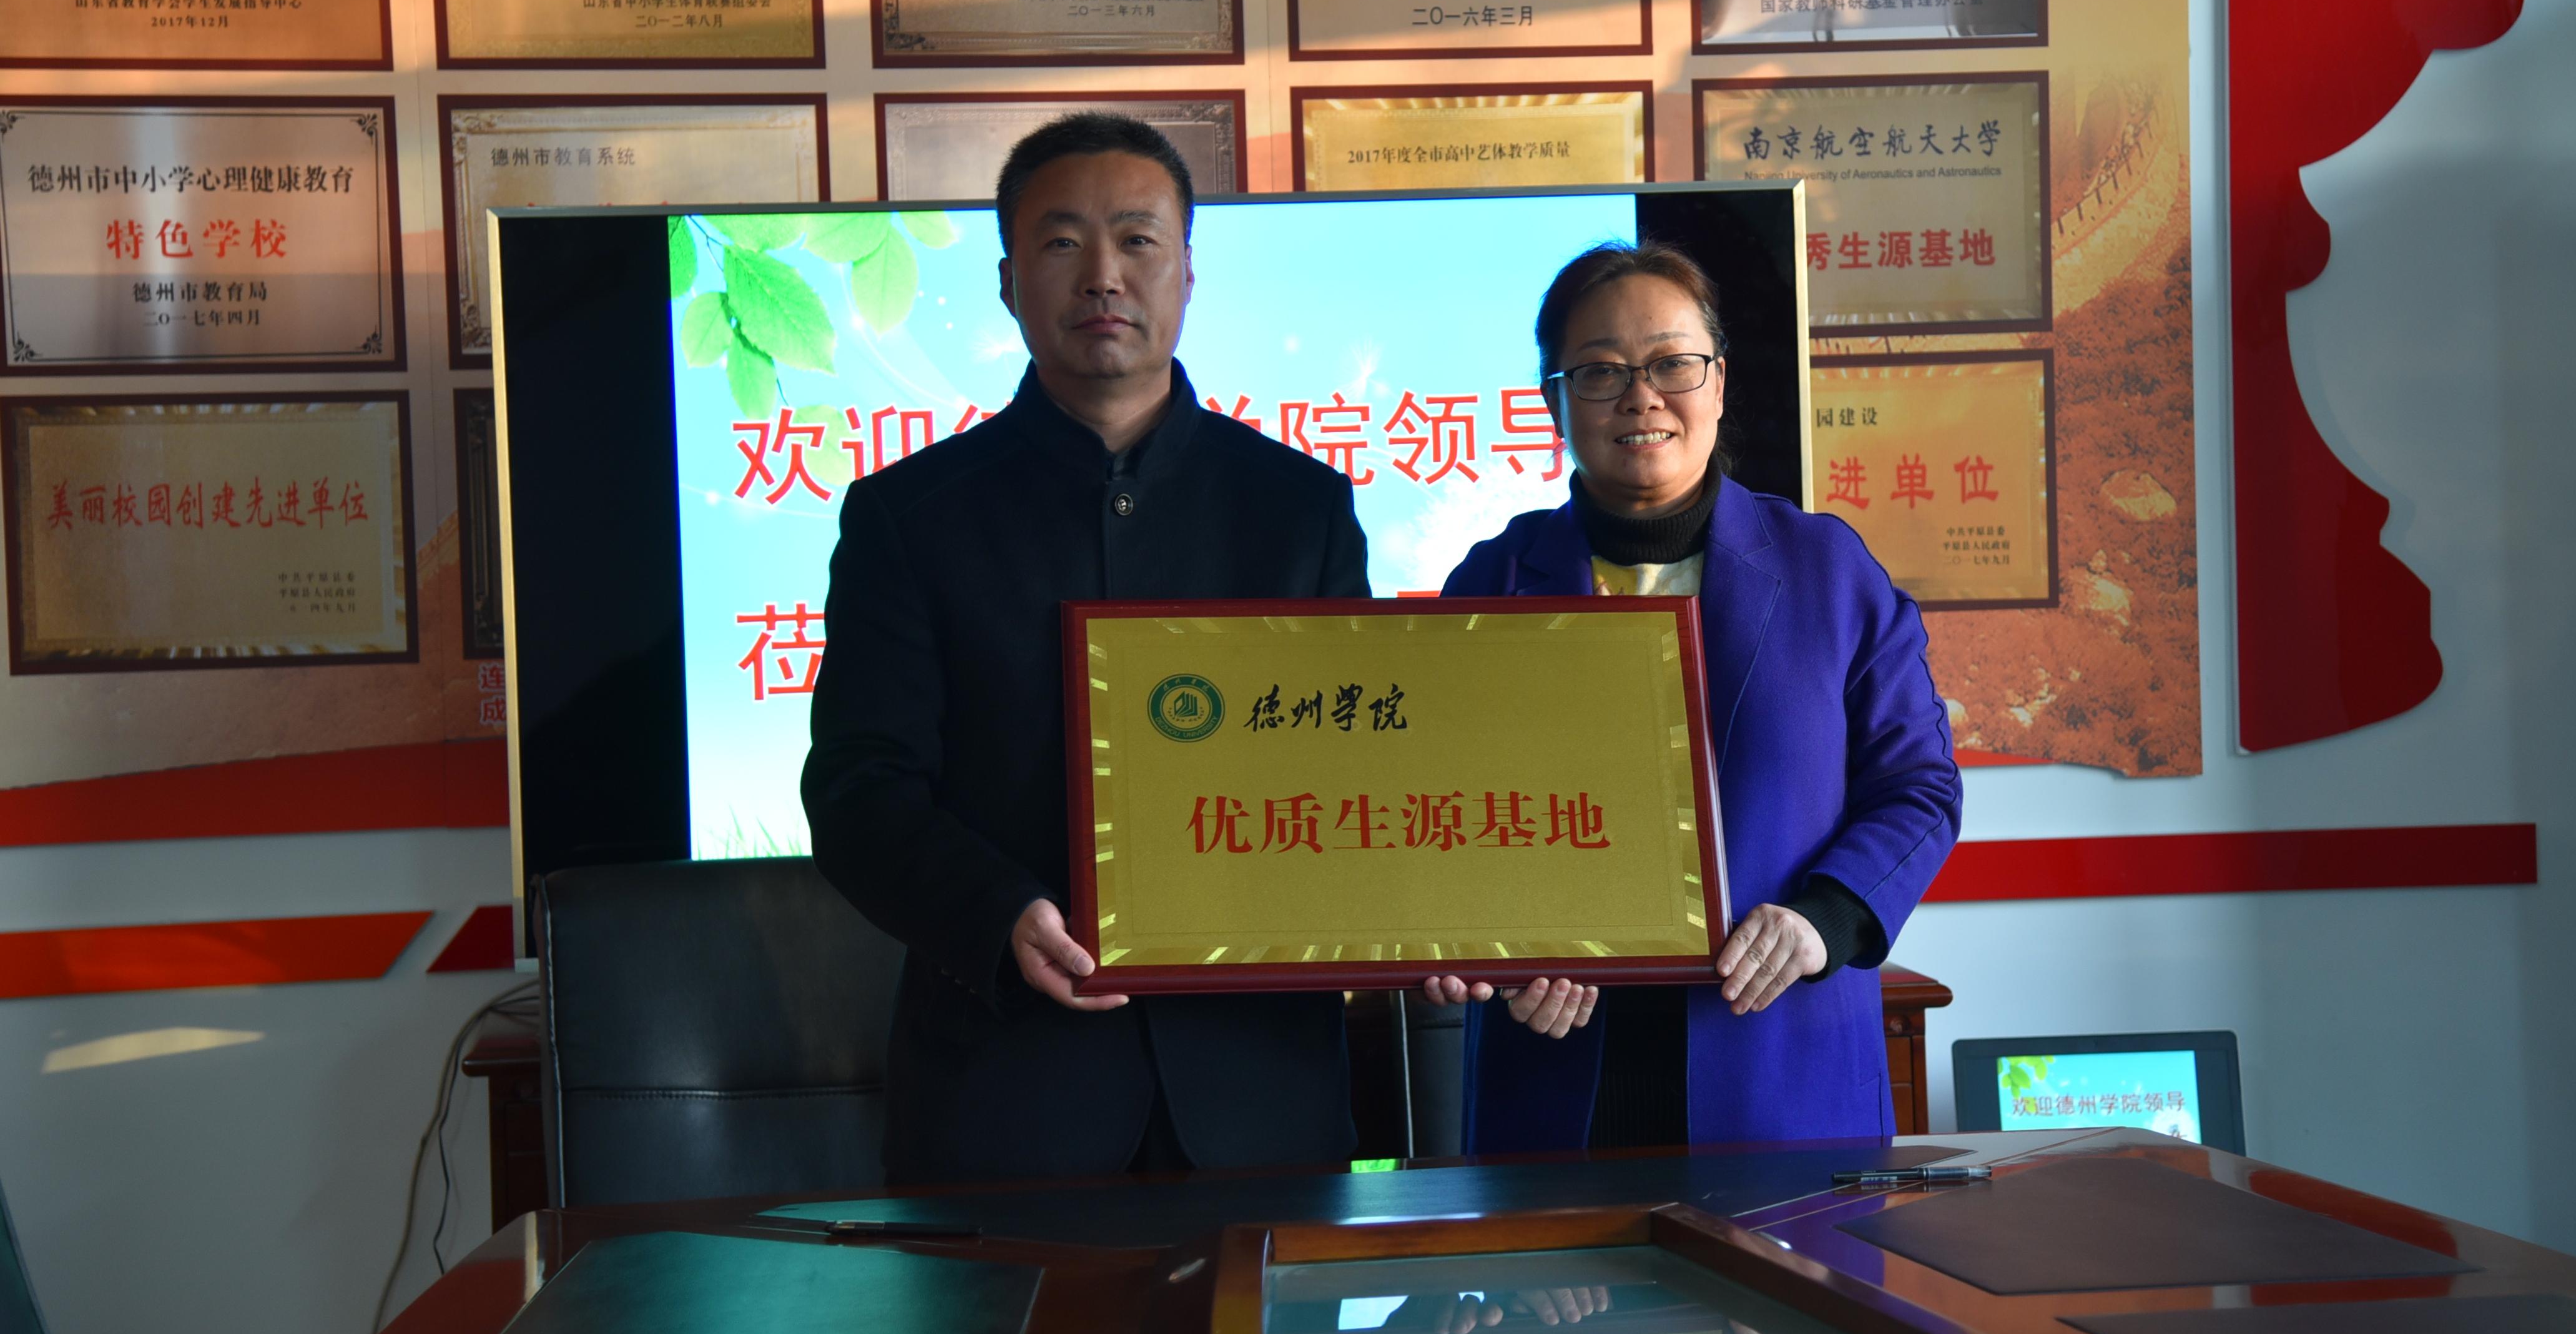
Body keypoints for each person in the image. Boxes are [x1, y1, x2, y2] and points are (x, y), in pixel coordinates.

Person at [803, 113, 1369, 1183]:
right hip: (1005, 1100)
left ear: (1188, 273)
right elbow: (858, 788)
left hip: (1263, 1101)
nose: (1103, 275)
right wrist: (1001, 916)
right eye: (1062, 242)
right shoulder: (908, 516)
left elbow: (1351, 768)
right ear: (1008, 281)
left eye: (1138, 240)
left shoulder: (1301, 508)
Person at [1423, 241, 1962, 1151]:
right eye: (1600, 372)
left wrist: (1824, 919)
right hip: (1556, 1074)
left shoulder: (1829, 571)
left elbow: (1920, 788)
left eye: (1673, 363)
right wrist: (1492, 947)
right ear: (1554, 401)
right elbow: (1433, 813)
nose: (1641, 397)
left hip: (1780, 1064)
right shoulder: (1493, 582)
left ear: (1718, 383)